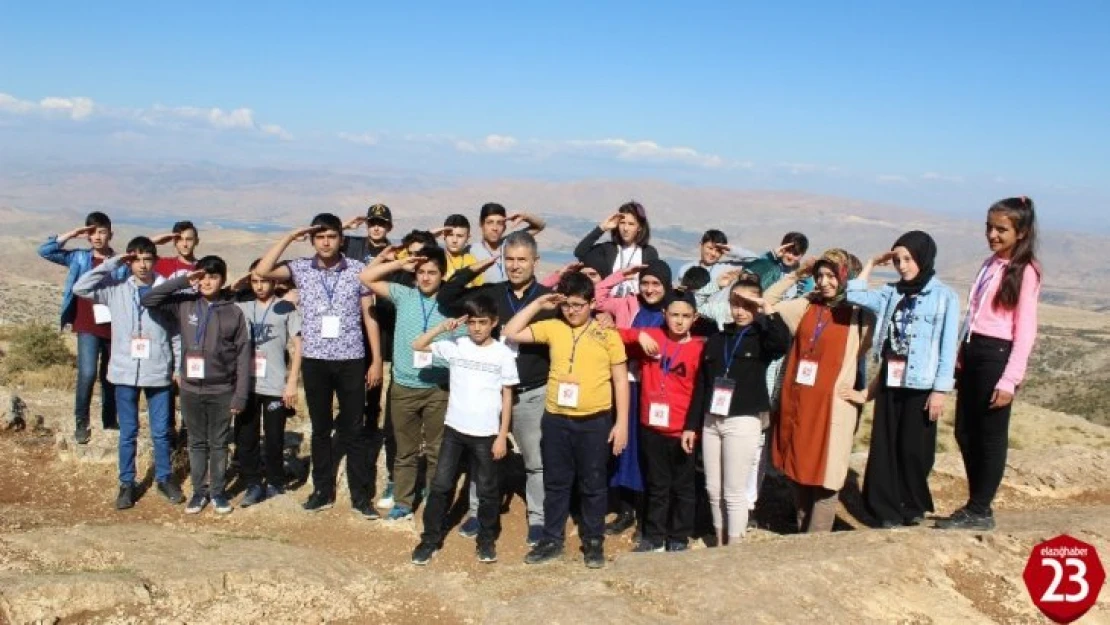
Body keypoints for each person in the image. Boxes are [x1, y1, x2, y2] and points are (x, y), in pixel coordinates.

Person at [254, 214, 381, 517]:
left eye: (332, 236)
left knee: (354, 429)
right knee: (321, 430)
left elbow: (369, 315)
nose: (326, 242)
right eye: (319, 237)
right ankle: (322, 491)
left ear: (341, 239)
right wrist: (290, 236)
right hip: (315, 360)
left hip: (351, 358)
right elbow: (263, 270)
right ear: (312, 240)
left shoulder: (358, 270)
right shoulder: (300, 269)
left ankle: (361, 497)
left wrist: (376, 359)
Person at [502, 273, 630, 569]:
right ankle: (552, 539)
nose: (572, 311)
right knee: (557, 482)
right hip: (557, 418)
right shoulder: (552, 327)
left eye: (578, 305)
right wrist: (539, 304)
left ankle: (594, 541)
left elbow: (620, 381)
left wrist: (621, 423)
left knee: (593, 483)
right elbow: (511, 331)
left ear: (591, 303)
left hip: (594, 421)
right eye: (567, 305)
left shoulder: (607, 334)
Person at [438, 231, 557, 546]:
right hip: (490, 395)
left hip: (532, 393)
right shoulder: (490, 295)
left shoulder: (548, 300)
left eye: (522, 259)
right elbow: (447, 299)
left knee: (536, 461)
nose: (515, 266)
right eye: (510, 259)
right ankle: (477, 512)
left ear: (535, 261)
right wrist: (474, 269)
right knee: (482, 458)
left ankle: (538, 519)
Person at [937, 197, 1042, 531]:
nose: (992, 234)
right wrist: (960, 353)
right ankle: (976, 502)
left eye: (1001, 229)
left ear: (1021, 232)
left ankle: (980, 509)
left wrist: (1010, 379)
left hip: (997, 356)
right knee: (965, 431)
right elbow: (976, 314)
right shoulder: (989, 263)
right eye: (989, 227)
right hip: (974, 351)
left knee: (990, 436)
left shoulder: (1026, 271)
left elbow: (1025, 330)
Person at [842, 231, 959, 528]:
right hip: (891, 381)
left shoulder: (944, 297)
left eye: (908, 259)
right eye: (897, 260)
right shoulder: (890, 292)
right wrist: (870, 263)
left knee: (914, 449)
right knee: (885, 445)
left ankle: (911, 505)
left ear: (923, 257)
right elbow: (853, 293)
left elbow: (947, 347)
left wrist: (941, 390)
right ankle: (886, 510)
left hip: (922, 383)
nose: (902, 266)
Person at [763, 249, 875, 533]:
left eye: (831, 276)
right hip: (798, 402)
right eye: (820, 275)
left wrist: (865, 394)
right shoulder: (806, 306)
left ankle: (817, 539)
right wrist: (798, 275)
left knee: (827, 476)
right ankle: (802, 533)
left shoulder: (860, 315)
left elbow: (893, 350)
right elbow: (768, 301)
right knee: (799, 469)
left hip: (832, 407)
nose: (824, 282)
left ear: (845, 277)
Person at [72, 236, 182, 510]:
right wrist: (112, 262)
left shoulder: (166, 290)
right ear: (129, 261)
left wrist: (178, 366)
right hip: (124, 372)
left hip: (157, 370)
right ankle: (126, 483)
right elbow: (80, 287)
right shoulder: (116, 289)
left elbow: (177, 333)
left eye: (147, 259)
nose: (142, 265)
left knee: (160, 432)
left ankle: (165, 478)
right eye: (136, 259)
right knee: (128, 432)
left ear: (155, 260)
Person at [409, 297, 519, 565]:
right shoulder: (456, 346)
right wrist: (442, 328)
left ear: (494, 323)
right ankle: (429, 540)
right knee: (441, 485)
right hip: (454, 430)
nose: (477, 328)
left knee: (488, 490)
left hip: (487, 433)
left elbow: (507, 396)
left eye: (483, 323)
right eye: (472, 323)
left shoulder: (503, 354)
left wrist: (502, 435)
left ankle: (485, 541)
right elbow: (417, 345)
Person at [141, 256, 251, 515]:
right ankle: (199, 492)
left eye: (213, 277)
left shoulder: (233, 312)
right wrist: (183, 280)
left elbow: (244, 356)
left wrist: (240, 395)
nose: (207, 282)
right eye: (202, 276)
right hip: (190, 388)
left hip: (222, 389)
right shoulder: (185, 304)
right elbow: (149, 300)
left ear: (223, 280)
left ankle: (218, 492)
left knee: (219, 443)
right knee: (197, 442)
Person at [688, 275, 790, 544]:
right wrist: (691, 425)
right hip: (712, 420)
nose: (740, 310)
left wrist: (767, 308)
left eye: (747, 305)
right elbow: (702, 385)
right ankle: (721, 541)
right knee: (713, 488)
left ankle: (734, 549)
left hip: (742, 421)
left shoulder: (761, 337)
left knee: (734, 491)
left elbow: (782, 344)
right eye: (736, 303)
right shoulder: (717, 339)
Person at [361, 245, 454, 521]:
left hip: (438, 388)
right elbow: (366, 277)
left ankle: (434, 498)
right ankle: (403, 501)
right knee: (405, 451)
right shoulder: (404, 295)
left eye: (432, 273)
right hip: (403, 386)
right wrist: (400, 264)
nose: (426, 278)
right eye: (421, 272)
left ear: (442, 275)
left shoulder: (452, 304)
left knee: (437, 450)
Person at [617, 291, 704, 552]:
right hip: (651, 426)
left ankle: (678, 537)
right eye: (674, 315)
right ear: (664, 315)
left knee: (683, 487)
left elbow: (701, 391)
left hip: (681, 429)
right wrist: (638, 335)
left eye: (685, 316)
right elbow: (613, 335)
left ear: (695, 318)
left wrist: (692, 426)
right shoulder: (653, 337)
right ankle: (654, 536)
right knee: (656, 484)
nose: (679, 321)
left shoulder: (700, 347)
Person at [593, 259, 674, 536]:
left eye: (656, 284)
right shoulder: (630, 303)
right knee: (623, 447)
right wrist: (620, 275)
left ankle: (646, 513)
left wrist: (636, 335)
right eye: (646, 283)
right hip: (627, 384)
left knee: (647, 450)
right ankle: (626, 509)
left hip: (656, 391)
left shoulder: (671, 312)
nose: (649, 289)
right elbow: (598, 297)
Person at [38, 211, 123, 444]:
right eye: (92, 232)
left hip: (114, 326)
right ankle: (81, 421)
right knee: (87, 373)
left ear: (110, 234)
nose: (97, 237)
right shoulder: (79, 258)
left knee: (111, 376)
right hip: (86, 324)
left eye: (102, 232)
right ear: (87, 235)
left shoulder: (119, 263)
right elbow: (45, 251)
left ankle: (109, 420)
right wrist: (72, 234)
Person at [342, 204, 400, 510]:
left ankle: (373, 418)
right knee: (357, 375)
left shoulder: (395, 251)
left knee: (378, 373)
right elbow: (323, 239)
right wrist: (344, 224)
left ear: (389, 227)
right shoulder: (352, 244)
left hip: (382, 321)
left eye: (382, 224)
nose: (376, 228)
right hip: (353, 321)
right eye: (372, 223)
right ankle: (361, 420)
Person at [234, 259, 304, 506]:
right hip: (247, 385)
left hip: (275, 385)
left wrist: (292, 382)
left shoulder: (286, 308)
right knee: (246, 437)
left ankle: (275, 482)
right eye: (255, 281)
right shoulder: (242, 307)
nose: (259, 286)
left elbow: (298, 345)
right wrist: (241, 282)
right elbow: (225, 296)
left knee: (274, 437)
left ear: (275, 281)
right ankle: (253, 483)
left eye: (264, 280)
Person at [574, 201, 659, 297]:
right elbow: (580, 252)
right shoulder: (608, 249)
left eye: (631, 224)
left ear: (639, 227)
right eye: (622, 223)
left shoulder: (649, 252)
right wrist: (602, 228)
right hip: (608, 304)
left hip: (636, 304)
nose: (625, 228)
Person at [469, 203, 547, 284]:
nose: (495, 228)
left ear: (504, 227)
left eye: (499, 223)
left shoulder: (510, 243)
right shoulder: (471, 251)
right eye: (490, 222)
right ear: (481, 224)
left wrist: (525, 216)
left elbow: (540, 226)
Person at [435, 214, 483, 286]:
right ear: (444, 236)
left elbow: (481, 289)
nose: (454, 240)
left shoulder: (471, 261)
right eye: (450, 235)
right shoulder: (437, 259)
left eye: (459, 236)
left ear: (468, 238)